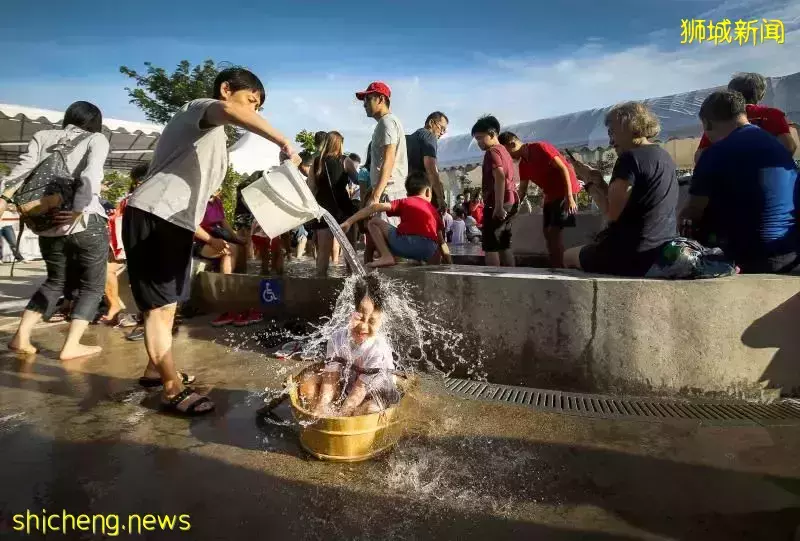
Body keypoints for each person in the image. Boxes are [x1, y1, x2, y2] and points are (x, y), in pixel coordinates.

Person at [121, 67, 298, 415]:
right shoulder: (199, 108)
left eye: (259, 107)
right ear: (226, 89)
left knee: (168, 306)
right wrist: (283, 141)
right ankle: (172, 390)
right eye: (252, 101)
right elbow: (232, 111)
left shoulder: (214, 136)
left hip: (172, 221)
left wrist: (204, 236)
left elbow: (189, 197)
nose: (253, 111)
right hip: (154, 216)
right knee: (160, 310)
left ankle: (155, 371)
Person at [0, 101, 110, 360]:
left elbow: (20, 172)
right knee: (93, 287)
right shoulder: (96, 139)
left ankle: (21, 337)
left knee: (54, 282)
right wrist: (78, 209)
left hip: (48, 225)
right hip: (85, 222)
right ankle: (71, 346)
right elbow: (91, 176)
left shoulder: (42, 136)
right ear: (95, 121)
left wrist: (4, 198)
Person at [681, 90, 798, 273]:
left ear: (707, 123)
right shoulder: (778, 146)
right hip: (788, 250)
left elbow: (692, 212)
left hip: (748, 257)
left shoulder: (716, 153)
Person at [564, 102, 678, 276]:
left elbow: (611, 214)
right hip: (661, 249)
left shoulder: (629, 158)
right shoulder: (663, 156)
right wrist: (599, 181)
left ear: (629, 125)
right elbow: (632, 201)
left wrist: (588, 182)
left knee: (568, 256)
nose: (610, 141)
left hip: (631, 253)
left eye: (612, 132)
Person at [298, 275, 399, 416]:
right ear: (350, 311)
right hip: (349, 387)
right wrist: (322, 406)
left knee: (368, 411)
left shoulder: (378, 350)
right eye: (359, 318)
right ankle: (315, 419)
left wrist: (341, 416)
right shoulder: (337, 339)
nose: (364, 327)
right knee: (307, 383)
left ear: (381, 320)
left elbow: (359, 390)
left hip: (374, 393)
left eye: (372, 322)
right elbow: (331, 378)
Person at [499, 132, 582, 268]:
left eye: (507, 153)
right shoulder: (523, 165)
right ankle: (555, 265)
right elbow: (522, 190)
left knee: (554, 232)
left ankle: (561, 268)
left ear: (512, 144)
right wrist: (512, 209)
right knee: (547, 234)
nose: (507, 158)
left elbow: (564, 169)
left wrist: (570, 197)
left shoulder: (540, 148)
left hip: (565, 191)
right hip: (550, 195)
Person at [341, 172, 452, 268]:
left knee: (374, 222)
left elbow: (374, 207)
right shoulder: (434, 211)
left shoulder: (404, 201)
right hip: (428, 249)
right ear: (428, 192)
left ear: (407, 194)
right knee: (435, 248)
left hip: (404, 244)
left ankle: (386, 256)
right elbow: (442, 243)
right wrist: (449, 264)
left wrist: (349, 221)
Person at [694, 72, 797, 165]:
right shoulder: (773, 114)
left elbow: (700, 157)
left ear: (730, 94)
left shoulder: (720, 119)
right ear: (761, 95)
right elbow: (789, 147)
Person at [356, 82, 408, 261]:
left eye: (368, 98)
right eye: (363, 100)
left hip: (389, 193)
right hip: (386, 190)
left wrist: (376, 195)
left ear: (381, 99)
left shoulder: (387, 122)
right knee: (375, 244)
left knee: (389, 245)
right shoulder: (385, 123)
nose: (364, 104)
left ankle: (395, 285)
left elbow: (389, 158)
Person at [102, 163, 149, 327]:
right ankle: (116, 307)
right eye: (137, 181)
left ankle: (143, 316)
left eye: (141, 180)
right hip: (126, 243)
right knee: (105, 271)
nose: (138, 183)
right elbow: (117, 220)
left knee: (143, 279)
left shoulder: (144, 198)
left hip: (140, 244)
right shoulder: (129, 199)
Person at [306, 131, 358, 275]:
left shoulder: (316, 162)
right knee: (350, 252)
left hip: (323, 211)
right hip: (344, 209)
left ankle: (319, 287)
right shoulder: (345, 160)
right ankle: (353, 285)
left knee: (323, 253)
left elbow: (311, 188)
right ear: (339, 143)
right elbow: (358, 180)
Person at [471, 115, 519, 267]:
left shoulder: (492, 152)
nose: (478, 143)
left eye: (480, 138)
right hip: (510, 201)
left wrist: (497, 206)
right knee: (504, 245)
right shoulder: (504, 151)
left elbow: (499, 176)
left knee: (491, 245)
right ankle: (512, 277)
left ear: (492, 134)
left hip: (497, 203)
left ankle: (492, 280)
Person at [194, 191, 244, 275]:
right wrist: (212, 241)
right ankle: (224, 285)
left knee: (241, 247)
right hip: (197, 241)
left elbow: (223, 221)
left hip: (213, 237)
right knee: (230, 250)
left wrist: (235, 237)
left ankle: (236, 281)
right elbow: (193, 226)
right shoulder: (199, 200)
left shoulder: (217, 201)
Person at [406, 111, 448, 209]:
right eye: (442, 128)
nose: (442, 133)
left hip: (410, 192)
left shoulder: (408, 139)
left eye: (444, 131)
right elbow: (431, 169)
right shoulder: (429, 137)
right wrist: (440, 198)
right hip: (425, 194)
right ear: (431, 123)